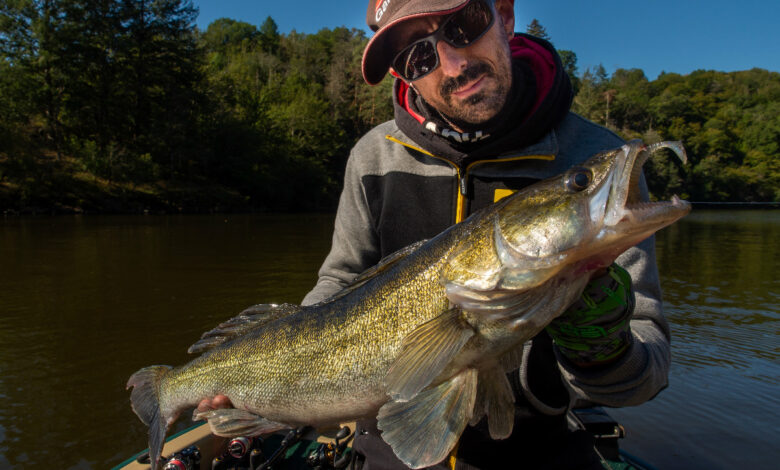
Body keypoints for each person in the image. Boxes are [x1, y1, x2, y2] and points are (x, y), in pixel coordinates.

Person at [200, 1, 671, 468]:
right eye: (417, 56)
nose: (453, 63)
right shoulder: (373, 158)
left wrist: (598, 345)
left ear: (503, 15)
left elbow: (639, 384)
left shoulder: (591, 156)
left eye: (463, 26)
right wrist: (286, 374)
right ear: (401, 75)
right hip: (387, 453)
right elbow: (337, 286)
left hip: (539, 453)